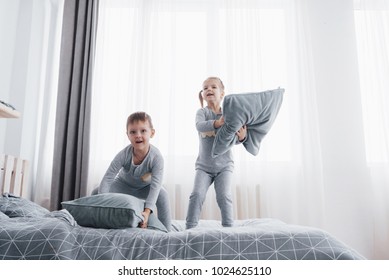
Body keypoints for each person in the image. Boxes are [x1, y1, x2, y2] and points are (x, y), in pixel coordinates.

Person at [185, 77, 247, 229]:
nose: (209, 90)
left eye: (213, 87)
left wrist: (242, 138)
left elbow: (233, 137)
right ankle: (190, 227)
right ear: (202, 94)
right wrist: (216, 123)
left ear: (222, 93)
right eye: (205, 88)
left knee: (224, 196)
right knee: (197, 195)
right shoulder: (202, 112)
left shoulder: (229, 113)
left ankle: (228, 227)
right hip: (204, 167)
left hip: (224, 166)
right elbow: (199, 126)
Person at [98, 111, 172, 231]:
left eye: (143, 131)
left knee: (162, 194)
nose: (138, 135)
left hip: (145, 189)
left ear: (152, 133)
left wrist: (147, 212)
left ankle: (167, 230)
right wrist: (101, 203)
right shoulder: (123, 155)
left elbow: (156, 185)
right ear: (127, 135)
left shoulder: (156, 157)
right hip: (123, 185)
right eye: (133, 132)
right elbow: (108, 178)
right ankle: (95, 220)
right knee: (97, 191)